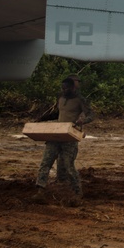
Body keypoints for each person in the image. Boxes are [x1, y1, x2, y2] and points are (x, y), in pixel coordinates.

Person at [35, 74, 94, 203]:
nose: (64, 90)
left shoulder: (80, 100)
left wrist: (81, 121)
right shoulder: (60, 98)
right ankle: (40, 191)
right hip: (56, 134)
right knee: (45, 163)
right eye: (63, 88)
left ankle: (77, 193)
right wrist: (42, 118)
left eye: (67, 88)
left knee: (68, 166)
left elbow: (91, 114)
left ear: (73, 87)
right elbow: (58, 113)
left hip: (70, 137)